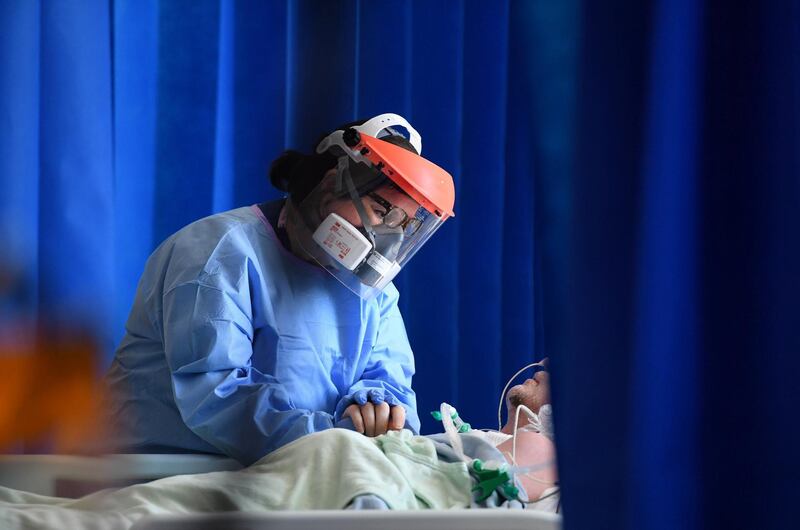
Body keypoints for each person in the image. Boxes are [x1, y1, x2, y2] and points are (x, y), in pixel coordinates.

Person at [104, 113, 456, 465]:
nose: (387, 238)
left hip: (296, 470)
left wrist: (375, 408)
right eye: (382, 210)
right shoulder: (219, 252)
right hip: (165, 471)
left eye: (403, 224)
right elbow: (216, 397)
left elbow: (393, 388)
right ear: (333, 182)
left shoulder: (372, 291)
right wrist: (335, 437)